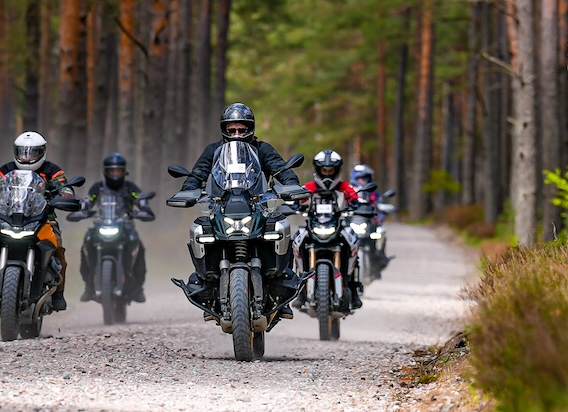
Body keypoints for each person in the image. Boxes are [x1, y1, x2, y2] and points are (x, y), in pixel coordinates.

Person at [173, 103, 302, 294]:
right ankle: (204, 277)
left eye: (242, 129)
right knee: (200, 229)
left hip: (257, 206)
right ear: (224, 129)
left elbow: (280, 168)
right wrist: (188, 190)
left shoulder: (262, 149)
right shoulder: (214, 150)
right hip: (221, 206)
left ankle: (281, 277)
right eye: (231, 130)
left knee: (280, 226)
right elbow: (199, 173)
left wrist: (291, 185)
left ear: (250, 129)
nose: (237, 134)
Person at [0, 131, 74, 311]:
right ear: (16, 152)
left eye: (32, 152)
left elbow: (63, 185)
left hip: (43, 219)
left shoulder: (52, 170)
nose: (27, 157)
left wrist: (66, 195)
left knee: (58, 251)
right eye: (23, 152)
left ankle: (58, 294)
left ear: (42, 152)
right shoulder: (6, 170)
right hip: (9, 216)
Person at [72, 152, 155, 303]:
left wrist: (144, 210)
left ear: (124, 171)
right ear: (106, 171)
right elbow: (88, 201)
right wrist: (81, 211)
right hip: (101, 225)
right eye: (112, 171)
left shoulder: (130, 188)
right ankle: (89, 286)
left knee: (139, 248)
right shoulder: (97, 188)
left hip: (125, 228)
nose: (115, 174)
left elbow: (140, 199)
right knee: (86, 243)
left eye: (118, 170)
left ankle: (138, 288)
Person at [294, 149, 363, 309]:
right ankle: (300, 288)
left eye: (330, 170)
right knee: (296, 241)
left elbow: (354, 197)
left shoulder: (344, 186)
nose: (327, 174)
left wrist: (357, 204)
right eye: (324, 170)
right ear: (318, 170)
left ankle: (353, 288)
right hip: (313, 225)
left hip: (337, 225)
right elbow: (299, 196)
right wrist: (294, 202)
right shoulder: (310, 186)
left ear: (336, 170)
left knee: (354, 242)